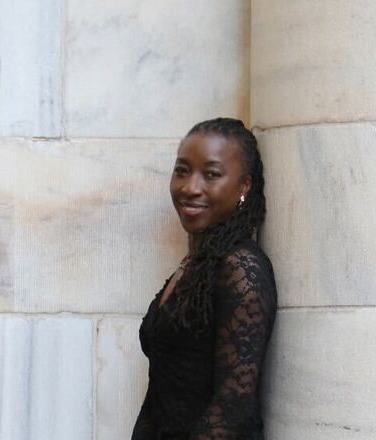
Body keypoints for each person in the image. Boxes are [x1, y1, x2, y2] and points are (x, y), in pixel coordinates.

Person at [132, 118, 278, 439]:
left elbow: (233, 410)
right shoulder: (194, 266)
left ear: (244, 186)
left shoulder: (241, 267)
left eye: (211, 174)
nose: (190, 187)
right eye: (182, 170)